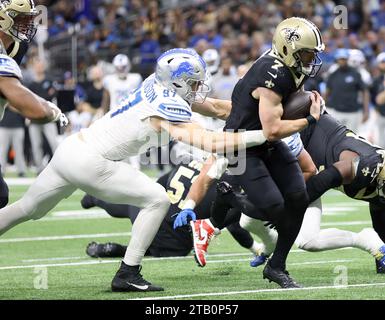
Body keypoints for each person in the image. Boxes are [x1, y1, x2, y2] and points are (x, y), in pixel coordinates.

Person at [0, 48, 268, 293]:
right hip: (92, 160)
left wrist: (262, 112)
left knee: (27, 209)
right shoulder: (166, 106)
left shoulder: (158, 84)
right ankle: (128, 272)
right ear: (177, 82)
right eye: (194, 83)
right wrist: (265, 133)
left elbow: (215, 107)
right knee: (158, 198)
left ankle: (128, 271)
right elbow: (210, 141)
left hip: (71, 150)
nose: (199, 88)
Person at [206, 17, 323, 288]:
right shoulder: (272, 74)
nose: (311, 59)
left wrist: (304, 105)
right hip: (243, 145)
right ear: (287, 49)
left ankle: (277, 267)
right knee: (272, 209)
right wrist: (310, 120)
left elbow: (288, 106)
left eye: (313, 53)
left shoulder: (293, 66)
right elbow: (271, 129)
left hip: (266, 143)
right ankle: (229, 197)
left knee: (298, 198)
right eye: (307, 53)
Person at [81, 157, 262, 260]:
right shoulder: (229, 185)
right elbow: (235, 227)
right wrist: (256, 248)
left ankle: (95, 199)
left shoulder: (188, 161)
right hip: (175, 240)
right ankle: (120, 250)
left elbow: (157, 186)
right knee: (160, 247)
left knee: (137, 202)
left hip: (149, 218)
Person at [0, 0, 68, 208]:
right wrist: (50, 109)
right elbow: (36, 111)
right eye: (20, 18)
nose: (27, 24)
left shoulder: (14, 48)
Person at [325, 48, 370, 133]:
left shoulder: (355, 73)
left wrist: (366, 110)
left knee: (352, 138)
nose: (342, 61)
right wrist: (323, 108)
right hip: (336, 111)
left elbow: (365, 91)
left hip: (353, 112)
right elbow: (327, 91)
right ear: (337, 59)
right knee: (335, 137)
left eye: (344, 59)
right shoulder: (333, 74)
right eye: (340, 59)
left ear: (348, 59)